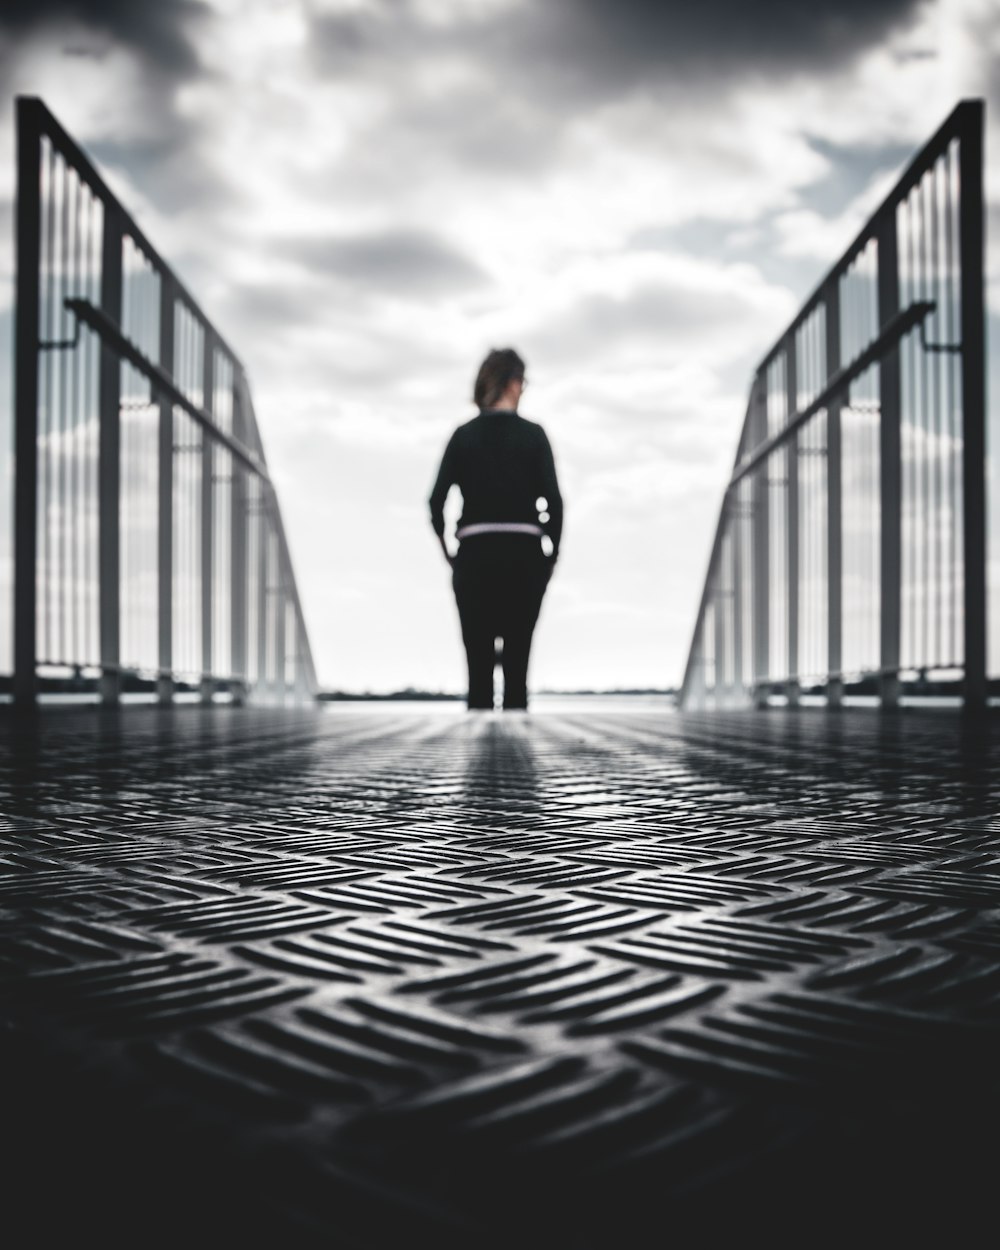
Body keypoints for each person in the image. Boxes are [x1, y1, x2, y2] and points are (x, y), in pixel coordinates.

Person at [429, 348, 563, 711]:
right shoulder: (534, 435)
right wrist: (551, 553)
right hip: (524, 555)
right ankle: (518, 757)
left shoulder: (462, 436)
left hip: (474, 556)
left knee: (478, 665)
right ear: (513, 382)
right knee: (518, 665)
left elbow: (435, 503)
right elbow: (554, 502)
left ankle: (479, 755)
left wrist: (451, 554)